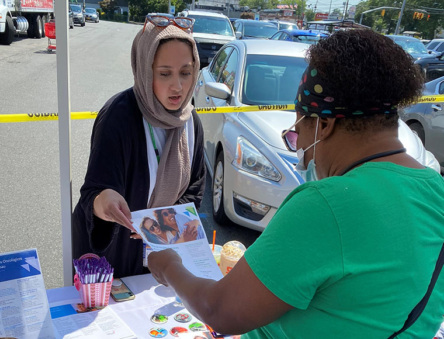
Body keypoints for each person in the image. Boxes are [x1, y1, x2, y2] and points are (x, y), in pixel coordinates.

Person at [148, 29, 444, 338]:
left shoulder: (327, 203)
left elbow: (218, 311)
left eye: (298, 129)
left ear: (324, 124)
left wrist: (169, 266)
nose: (300, 151)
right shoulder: (436, 191)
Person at [72, 15, 205, 278]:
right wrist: (103, 201)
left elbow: (195, 191)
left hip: (160, 251)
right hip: (111, 256)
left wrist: (160, 225)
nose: (177, 86)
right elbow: (93, 193)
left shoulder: (190, 122)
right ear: (145, 70)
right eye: (164, 73)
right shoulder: (119, 116)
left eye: (186, 73)